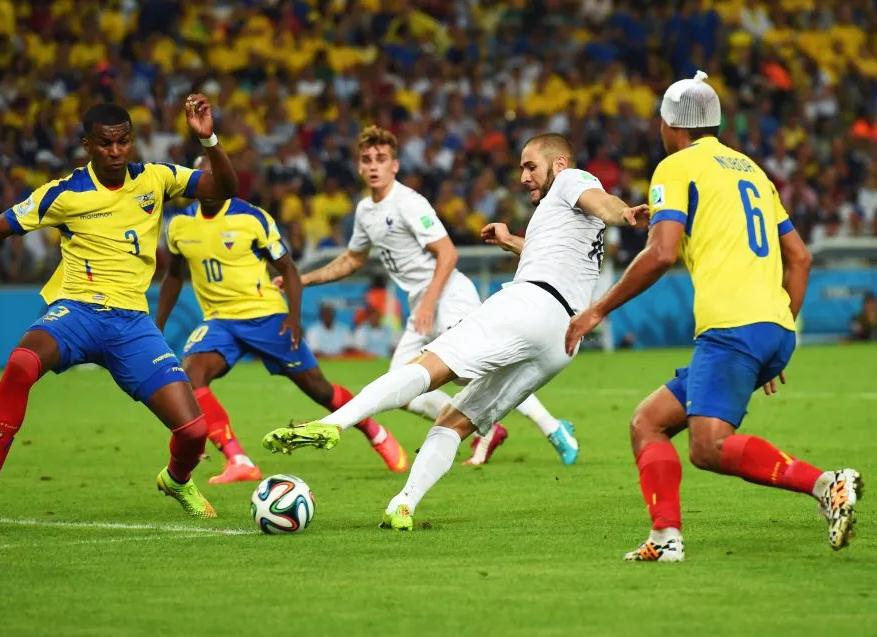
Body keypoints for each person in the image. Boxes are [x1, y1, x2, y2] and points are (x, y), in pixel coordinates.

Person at [0, 95, 238, 521]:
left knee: (193, 433)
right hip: (76, 313)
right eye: (104, 144)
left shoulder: (157, 179)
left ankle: (176, 480)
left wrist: (208, 139)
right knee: (22, 362)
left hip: (132, 324)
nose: (115, 152)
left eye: (123, 142)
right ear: (86, 145)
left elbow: (224, 188)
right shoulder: (63, 194)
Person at [263, 134, 648, 530]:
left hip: (530, 304)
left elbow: (604, 203)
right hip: (563, 339)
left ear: (560, 165)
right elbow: (551, 250)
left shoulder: (572, 180)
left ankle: (333, 424)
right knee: (456, 420)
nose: (522, 176)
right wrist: (511, 240)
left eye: (530, 166)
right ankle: (403, 504)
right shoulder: (560, 212)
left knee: (430, 367)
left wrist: (625, 214)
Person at [566, 72, 862, 562]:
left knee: (708, 447)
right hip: (770, 326)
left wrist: (598, 307)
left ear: (671, 124)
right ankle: (664, 539)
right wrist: (779, 326)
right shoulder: (752, 171)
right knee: (648, 421)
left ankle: (827, 484)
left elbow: (661, 253)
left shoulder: (677, 167)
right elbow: (801, 258)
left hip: (732, 329)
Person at [279, 125, 579, 467]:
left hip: (447, 295)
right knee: (401, 388)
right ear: (360, 167)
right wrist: (301, 280)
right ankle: (485, 427)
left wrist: (429, 302)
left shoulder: (408, 202)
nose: (374, 165)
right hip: (421, 306)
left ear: (395, 165)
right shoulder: (365, 211)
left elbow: (447, 253)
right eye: (367, 160)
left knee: (480, 369)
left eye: (382, 159)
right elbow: (352, 259)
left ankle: (553, 428)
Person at [156, 192, 407, 483]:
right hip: (219, 320)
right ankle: (239, 460)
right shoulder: (180, 224)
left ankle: (376, 432)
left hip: (266, 315)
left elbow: (287, 267)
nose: (208, 181)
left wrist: (294, 317)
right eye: (201, 176)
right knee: (192, 375)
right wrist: (158, 324)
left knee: (319, 390)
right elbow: (174, 275)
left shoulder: (251, 217)